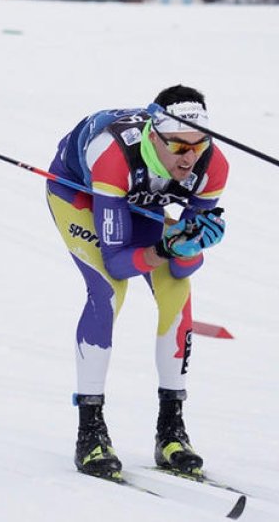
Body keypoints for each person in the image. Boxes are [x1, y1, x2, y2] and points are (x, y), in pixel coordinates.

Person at [45, 85, 229, 480]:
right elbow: (117, 261)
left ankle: (171, 431)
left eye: (199, 145)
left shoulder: (212, 166)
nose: (190, 157)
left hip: (139, 200)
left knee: (178, 293)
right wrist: (168, 247)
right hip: (80, 194)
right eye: (179, 147)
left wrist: (191, 247)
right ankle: (90, 431)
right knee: (109, 290)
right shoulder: (113, 158)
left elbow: (182, 268)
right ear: (155, 136)